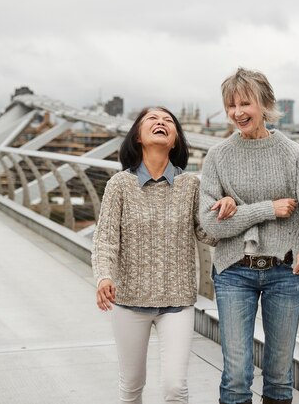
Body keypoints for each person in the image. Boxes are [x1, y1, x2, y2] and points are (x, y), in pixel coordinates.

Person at [199, 68, 299, 404]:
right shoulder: (217, 157)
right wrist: (268, 209)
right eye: (231, 105)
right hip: (233, 272)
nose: (237, 112)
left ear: (265, 104)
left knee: (279, 378)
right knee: (237, 376)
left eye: (245, 103)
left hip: (284, 273)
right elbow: (211, 225)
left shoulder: (293, 154)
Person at [92, 106, 237, 404]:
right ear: (137, 138)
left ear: (175, 141)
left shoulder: (191, 185)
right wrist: (103, 276)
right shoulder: (119, 185)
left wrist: (225, 209)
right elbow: (106, 239)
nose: (161, 123)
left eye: (168, 121)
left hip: (177, 301)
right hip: (130, 300)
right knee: (132, 386)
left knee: (175, 388)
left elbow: (207, 233)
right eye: (152, 120)